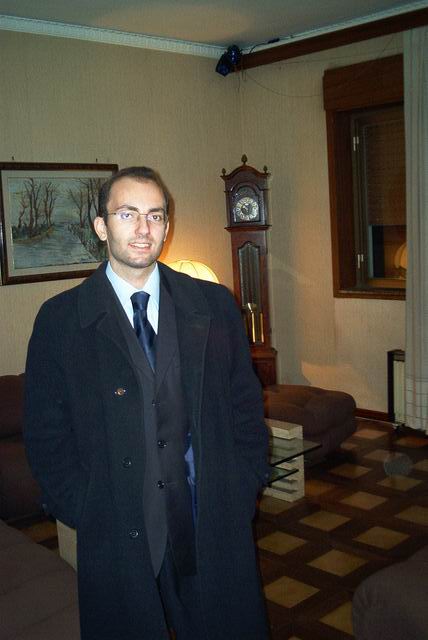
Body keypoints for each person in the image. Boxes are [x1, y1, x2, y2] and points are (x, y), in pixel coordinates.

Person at [24, 166, 271, 640]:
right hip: (119, 533)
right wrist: (86, 509)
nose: (143, 228)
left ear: (166, 227)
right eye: (127, 214)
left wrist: (243, 486)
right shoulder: (60, 322)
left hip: (209, 520)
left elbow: (245, 406)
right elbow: (46, 435)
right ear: (101, 226)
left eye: (155, 216)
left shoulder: (214, 305)